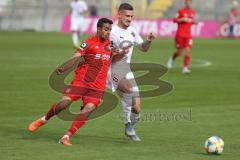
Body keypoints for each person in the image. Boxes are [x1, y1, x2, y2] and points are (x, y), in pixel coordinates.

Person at [28, 18, 116, 146]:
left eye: (110, 30)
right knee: (63, 104)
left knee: (89, 109)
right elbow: (75, 57)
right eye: (106, 29)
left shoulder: (111, 45)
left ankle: (66, 137)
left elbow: (108, 61)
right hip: (82, 81)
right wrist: (64, 68)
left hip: (97, 86)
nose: (108, 32)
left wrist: (116, 55)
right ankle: (44, 119)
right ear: (98, 29)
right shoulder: (88, 43)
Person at [108, 3, 155, 141]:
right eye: (127, 16)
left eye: (131, 16)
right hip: (112, 68)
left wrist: (148, 41)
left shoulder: (132, 31)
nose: (129, 19)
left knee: (137, 109)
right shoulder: (112, 32)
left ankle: (130, 127)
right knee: (128, 90)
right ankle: (127, 124)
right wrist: (121, 53)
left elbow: (143, 48)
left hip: (125, 69)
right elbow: (108, 55)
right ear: (119, 15)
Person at [167, 0, 196, 74]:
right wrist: (181, 19)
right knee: (179, 52)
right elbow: (174, 20)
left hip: (188, 35)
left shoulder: (193, 12)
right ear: (185, 3)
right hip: (180, 34)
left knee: (188, 50)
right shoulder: (180, 11)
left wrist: (194, 22)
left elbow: (191, 20)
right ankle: (171, 59)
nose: (189, 4)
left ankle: (185, 68)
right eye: (187, 3)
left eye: (190, 3)